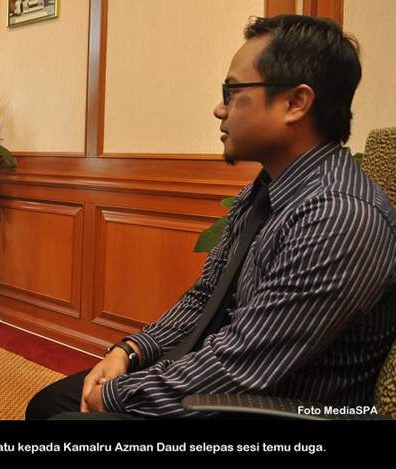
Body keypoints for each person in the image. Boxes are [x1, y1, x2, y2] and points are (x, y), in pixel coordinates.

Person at [27, 15, 396, 419]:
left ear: (295, 103)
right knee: (48, 404)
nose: (219, 109)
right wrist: (130, 351)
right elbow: (207, 298)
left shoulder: (340, 216)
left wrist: (118, 396)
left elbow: (241, 365)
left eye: (232, 91)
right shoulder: (267, 189)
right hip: (224, 384)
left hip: (274, 409)